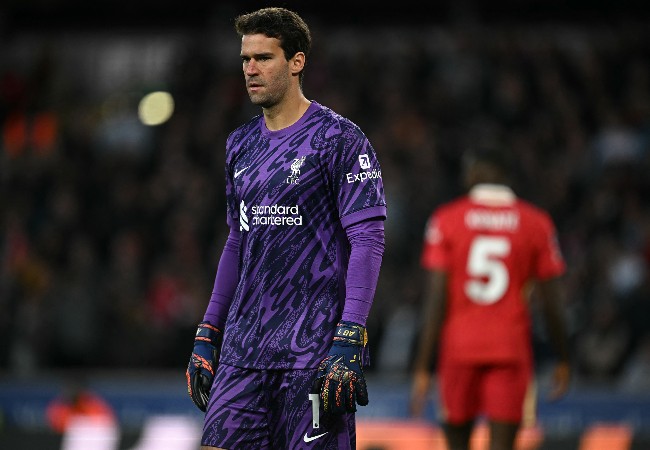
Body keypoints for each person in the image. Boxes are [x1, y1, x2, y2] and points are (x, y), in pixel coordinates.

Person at [185, 7, 387, 450]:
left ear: (296, 62)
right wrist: (208, 330)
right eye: (245, 59)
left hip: (312, 352)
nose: (250, 69)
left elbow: (368, 240)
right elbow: (238, 242)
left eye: (263, 58)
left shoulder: (340, 139)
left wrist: (350, 335)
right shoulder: (240, 144)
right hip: (244, 349)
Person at [409, 146, 570, 450]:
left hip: (459, 349)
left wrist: (422, 367)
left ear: (474, 172)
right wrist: (563, 358)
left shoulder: (447, 219)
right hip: (510, 349)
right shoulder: (536, 222)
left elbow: (435, 303)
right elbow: (552, 304)